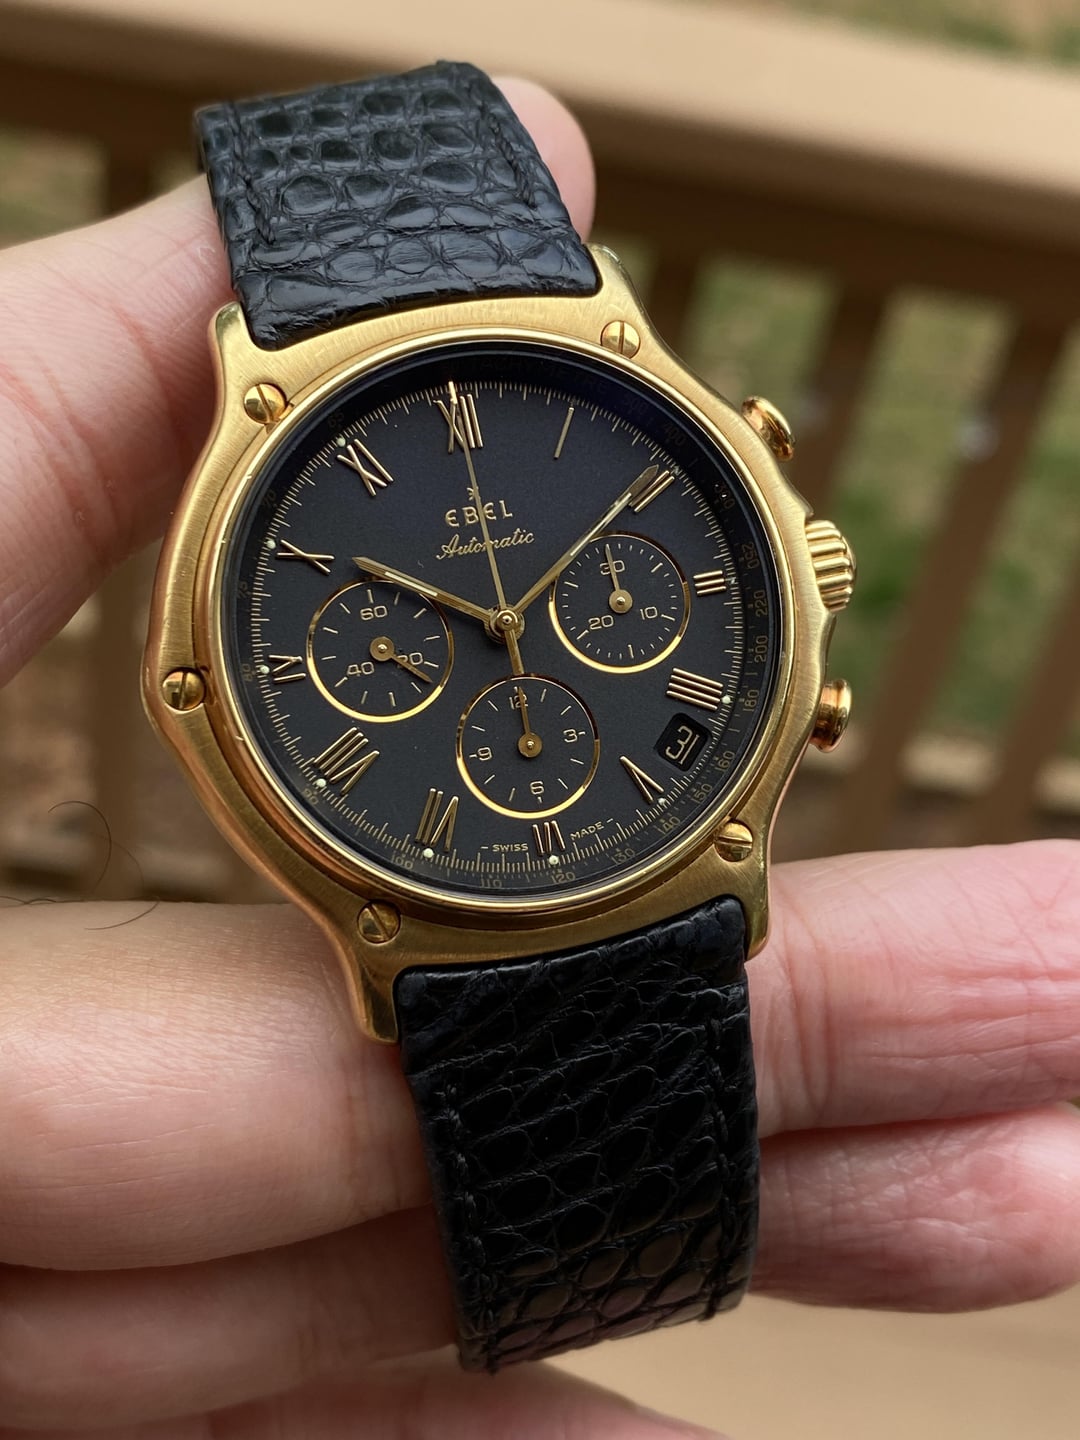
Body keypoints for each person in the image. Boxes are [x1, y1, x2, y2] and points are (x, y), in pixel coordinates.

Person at [0, 78, 1077, 1439]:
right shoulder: (304, 448)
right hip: (438, 927)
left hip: (650, 880)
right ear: (203, 691)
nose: (507, 623)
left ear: (798, 580)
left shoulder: (626, 406)